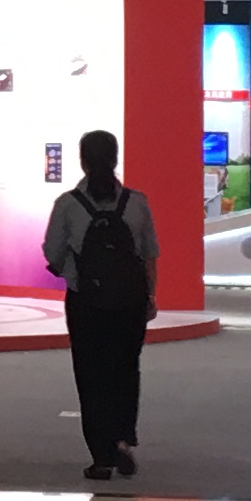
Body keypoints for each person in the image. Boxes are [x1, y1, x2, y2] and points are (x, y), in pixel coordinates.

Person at [41, 129, 162, 481]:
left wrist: (73, 271)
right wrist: (149, 295)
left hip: (86, 302)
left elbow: (51, 252)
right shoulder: (136, 202)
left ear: (82, 162)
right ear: (116, 158)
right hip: (130, 301)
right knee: (125, 369)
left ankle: (101, 456)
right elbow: (149, 254)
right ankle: (123, 439)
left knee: (91, 374)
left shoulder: (68, 204)